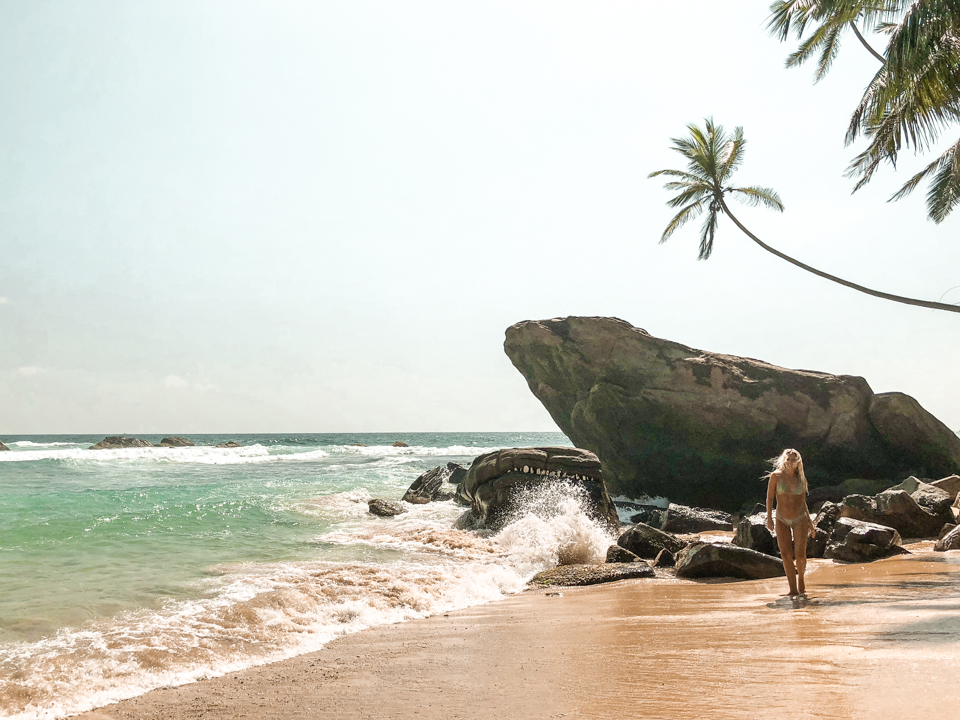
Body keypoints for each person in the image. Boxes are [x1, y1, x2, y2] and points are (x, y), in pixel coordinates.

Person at [765, 448, 815, 597]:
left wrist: (811, 525)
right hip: (781, 518)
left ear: (798, 461)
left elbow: (804, 503)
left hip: (800, 519)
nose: (791, 462)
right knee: (786, 555)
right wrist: (769, 518)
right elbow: (769, 498)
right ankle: (793, 590)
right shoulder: (776, 476)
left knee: (800, 556)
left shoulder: (801, 478)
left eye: (794, 459)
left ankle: (801, 578)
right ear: (783, 460)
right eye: (788, 459)